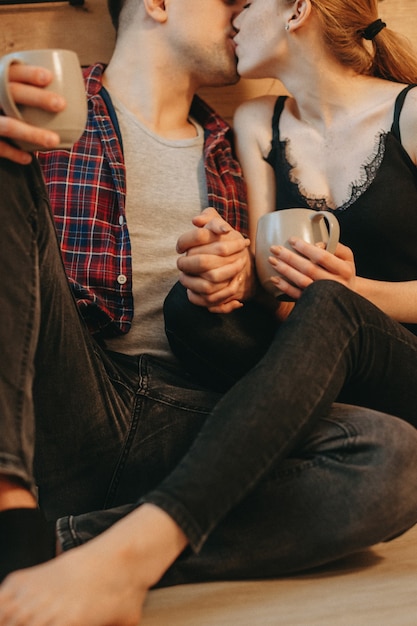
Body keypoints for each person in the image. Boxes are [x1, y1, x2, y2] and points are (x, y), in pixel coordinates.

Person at [1, 2, 417, 626]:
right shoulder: (46, 104)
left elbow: (266, 313)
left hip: (200, 420)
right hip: (71, 397)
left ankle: (76, 545)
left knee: (389, 456)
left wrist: (243, 278)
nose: (237, 9)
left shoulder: (238, 141)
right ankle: (10, 518)